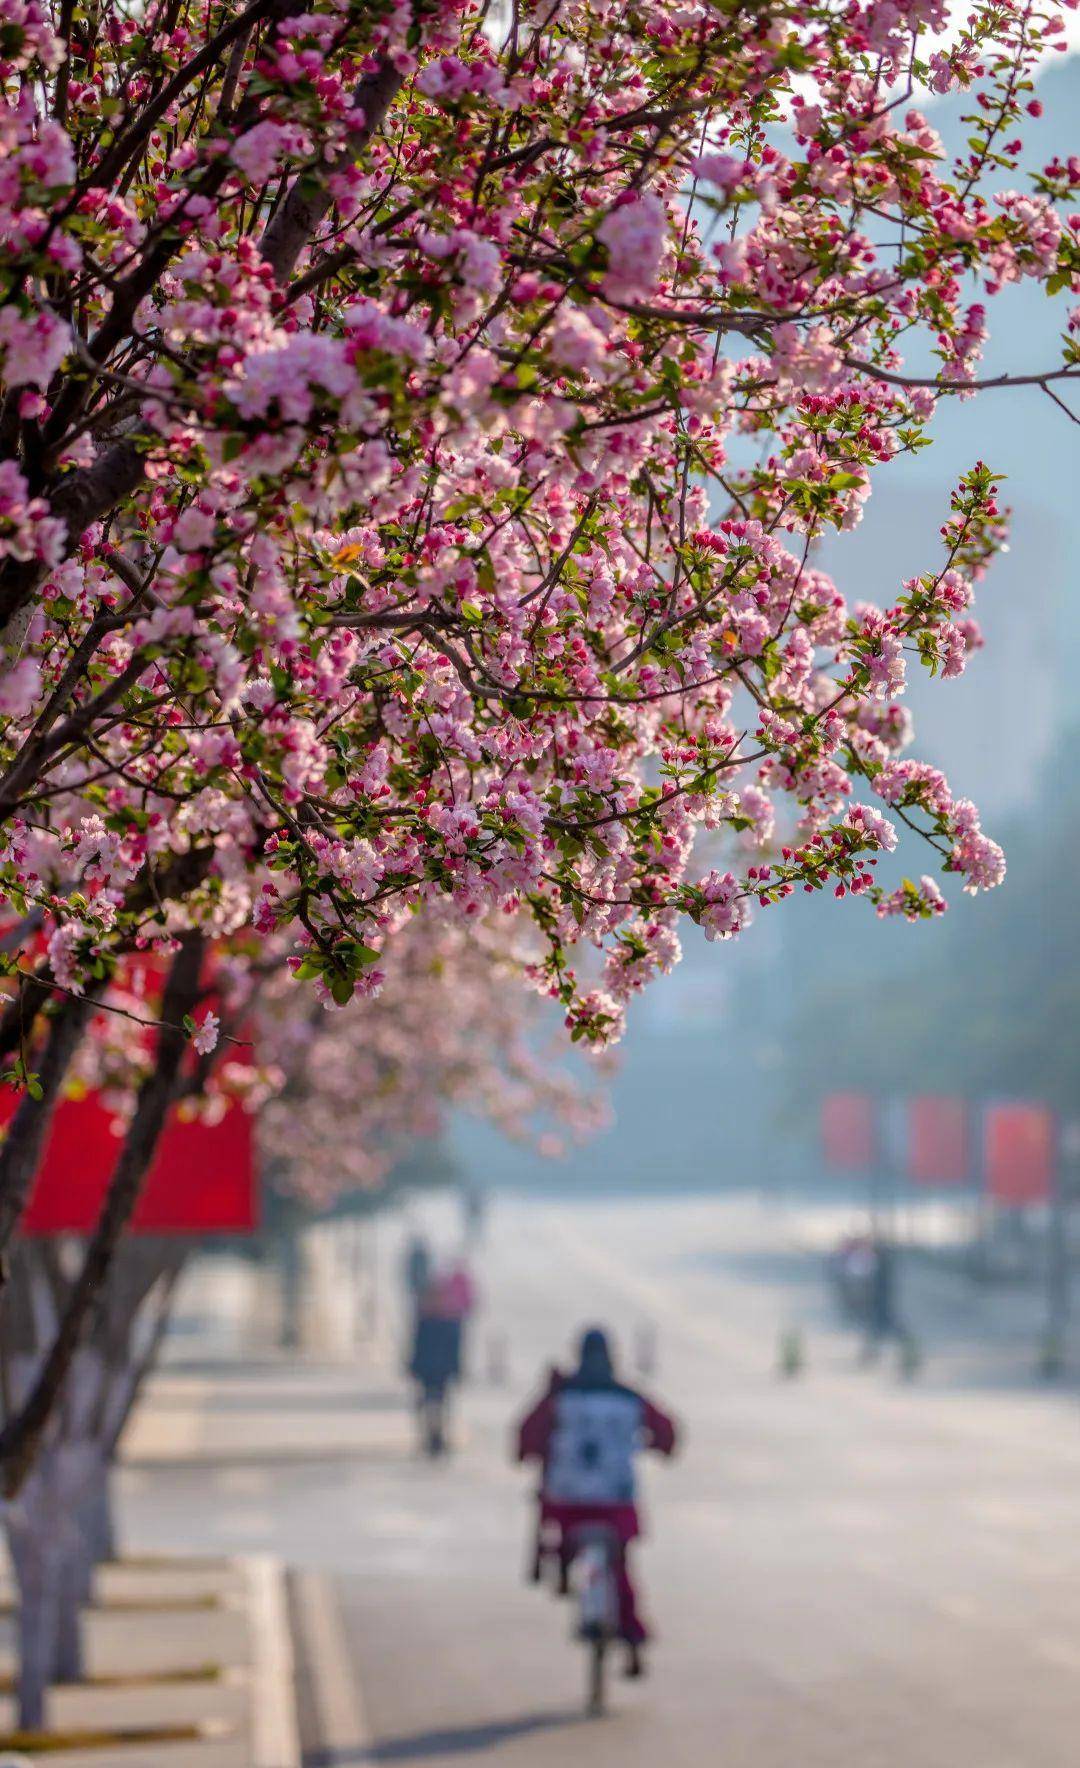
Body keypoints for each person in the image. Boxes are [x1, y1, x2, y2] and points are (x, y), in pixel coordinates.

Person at [515, 1327, 677, 1677]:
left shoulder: (560, 1396)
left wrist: (529, 1452)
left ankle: (557, 1567)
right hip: (615, 1503)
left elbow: (527, 1435)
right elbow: (667, 1433)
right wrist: (656, 1446)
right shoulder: (629, 1397)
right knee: (621, 1570)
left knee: (554, 1524)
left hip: (565, 1503)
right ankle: (633, 1640)